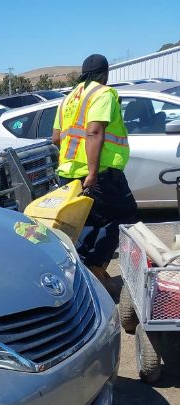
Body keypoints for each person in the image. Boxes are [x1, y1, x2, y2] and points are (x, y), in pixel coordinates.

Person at [51, 53, 137, 292]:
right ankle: (97, 270)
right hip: (99, 174)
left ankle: (86, 273)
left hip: (69, 173)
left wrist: (74, 161)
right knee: (125, 218)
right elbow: (94, 131)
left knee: (87, 225)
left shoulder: (68, 99)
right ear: (105, 73)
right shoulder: (103, 94)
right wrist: (92, 171)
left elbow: (56, 138)